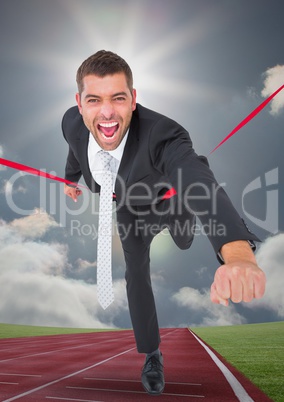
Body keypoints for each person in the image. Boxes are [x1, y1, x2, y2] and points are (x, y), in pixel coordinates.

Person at [63, 50, 266, 396]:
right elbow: (76, 147)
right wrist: (71, 179)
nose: (107, 112)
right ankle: (152, 354)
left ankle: (181, 227)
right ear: (79, 103)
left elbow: (198, 180)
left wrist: (239, 256)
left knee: (185, 239)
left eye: (118, 98)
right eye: (94, 100)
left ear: (134, 100)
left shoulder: (163, 134)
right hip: (127, 207)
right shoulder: (72, 122)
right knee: (135, 274)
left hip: (172, 201)